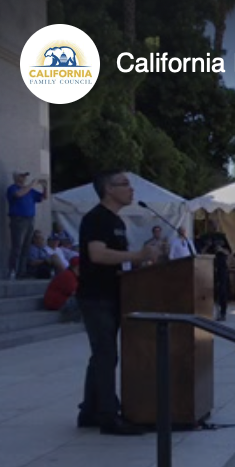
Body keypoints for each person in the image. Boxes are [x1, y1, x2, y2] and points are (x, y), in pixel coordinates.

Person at [76, 171, 156, 435]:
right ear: (108, 189)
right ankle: (108, 417)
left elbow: (116, 260)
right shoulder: (96, 218)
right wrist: (137, 255)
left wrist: (140, 263)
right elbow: (97, 255)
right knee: (106, 354)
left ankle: (90, 411)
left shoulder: (116, 220)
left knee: (102, 354)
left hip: (113, 293)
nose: (131, 189)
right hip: (96, 296)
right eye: (125, 184)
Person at [6, 170, 48, 279]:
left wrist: (45, 187)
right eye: (22, 176)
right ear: (16, 177)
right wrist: (32, 184)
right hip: (18, 220)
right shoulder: (13, 188)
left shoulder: (30, 190)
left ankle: (22, 272)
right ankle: (12, 270)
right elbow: (19, 194)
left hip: (30, 219)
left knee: (26, 246)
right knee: (17, 246)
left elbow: (43, 197)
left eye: (25, 176)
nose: (24, 178)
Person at [44, 256, 80, 321]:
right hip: (55, 302)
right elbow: (75, 292)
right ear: (77, 267)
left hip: (60, 301)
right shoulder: (68, 275)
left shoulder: (72, 274)